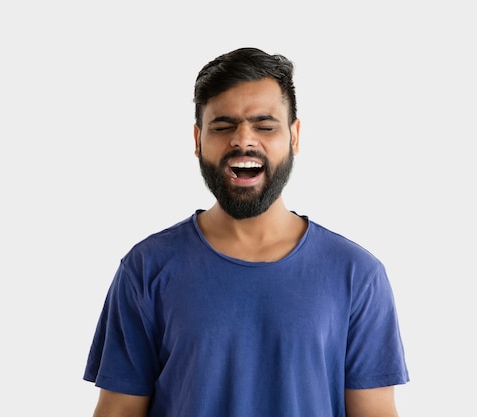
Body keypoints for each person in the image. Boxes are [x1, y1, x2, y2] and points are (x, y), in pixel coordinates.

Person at [83, 47, 409, 417]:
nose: (243, 140)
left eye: (265, 126)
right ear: (197, 139)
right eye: (222, 126)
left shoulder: (357, 274)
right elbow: (118, 409)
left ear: (294, 136)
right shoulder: (145, 268)